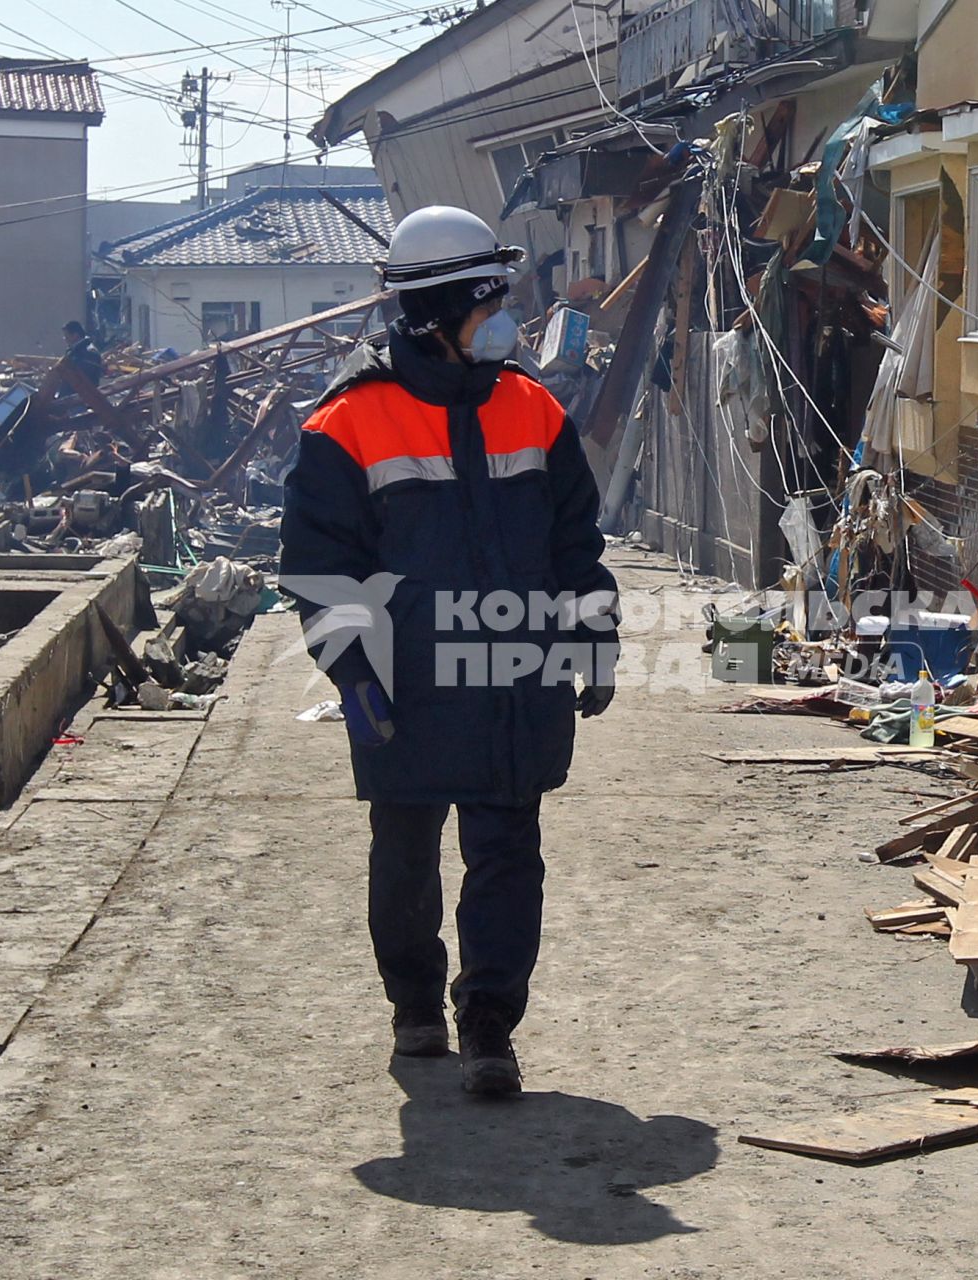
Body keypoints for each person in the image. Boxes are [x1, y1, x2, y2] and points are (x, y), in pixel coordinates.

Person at [279, 206, 619, 1098]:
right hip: (408, 684)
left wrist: (593, 628)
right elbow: (320, 568)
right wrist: (352, 673)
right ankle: (416, 1010)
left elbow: (576, 537)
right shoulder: (348, 423)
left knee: (507, 851)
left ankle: (490, 1029)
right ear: (439, 311)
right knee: (405, 852)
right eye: (490, 301)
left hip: (516, 679)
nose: (505, 316)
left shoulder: (532, 407)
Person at [63, 320, 103, 387]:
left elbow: (82, 377)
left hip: (82, 394)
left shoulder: (90, 352)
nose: (65, 339)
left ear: (75, 335)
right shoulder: (74, 350)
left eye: (66, 336)